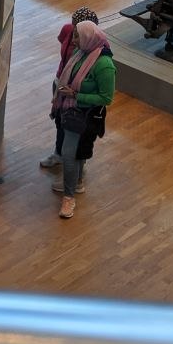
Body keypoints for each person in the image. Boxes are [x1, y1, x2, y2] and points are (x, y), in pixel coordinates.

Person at [50, 19, 115, 219]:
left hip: (84, 115)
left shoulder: (104, 65)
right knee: (76, 154)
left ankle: (69, 198)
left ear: (88, 38)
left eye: (77, 36)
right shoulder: (82, 53)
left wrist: (75, 95)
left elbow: (106, 98)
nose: (74, 40)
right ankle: (75, 183)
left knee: (69, 155)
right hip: (70, 110)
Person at [40, 7, 99, 177]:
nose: (74, 38)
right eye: (74, 30)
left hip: (75, 91)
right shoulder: (67, 30)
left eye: (79, 33)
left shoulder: (95, 49)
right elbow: (63, 47)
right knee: (59, 121)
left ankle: (79, 165)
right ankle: (58, 154)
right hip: (60, 83)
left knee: (75, 126)